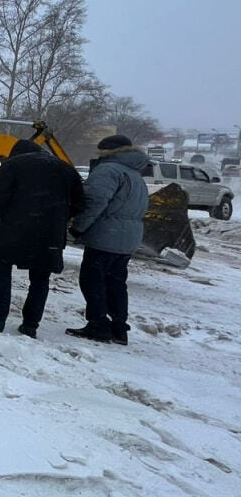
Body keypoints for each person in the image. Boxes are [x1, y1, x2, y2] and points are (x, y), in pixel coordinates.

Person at [0, 140, 84, 338]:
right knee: (40, 278)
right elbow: (80, 203)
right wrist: (58, 219)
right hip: (50, 234)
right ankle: (30, 325)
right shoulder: (66, 169)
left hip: (15, 229)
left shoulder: (12, 165)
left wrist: (9, 217)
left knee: (2, 271)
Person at [66, 134, 149, 345]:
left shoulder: (108, 170)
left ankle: (98, 325)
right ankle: (119, 327)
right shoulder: (136, 175)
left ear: (108, 151)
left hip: (106, 236)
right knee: (116, 282)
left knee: (92, 280)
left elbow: (94, 201)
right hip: (128, 239)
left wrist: (77, 227)